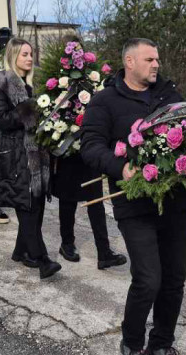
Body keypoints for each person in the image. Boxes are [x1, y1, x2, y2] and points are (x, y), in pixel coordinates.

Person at [81, 38, 186, 355]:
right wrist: (120, 168)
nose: (156, 64)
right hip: (133, 202)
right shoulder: (105, 101)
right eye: (149, 59)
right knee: (148, 279)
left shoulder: (170, 95)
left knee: (174, 279)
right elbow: (90, 146)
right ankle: (132, 344)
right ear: (129, 61)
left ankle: (162, 344)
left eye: (158, 58)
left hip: (173, 200)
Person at [0, 38, 61, 280]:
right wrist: (31, 110)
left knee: (34, 206)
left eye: (30, 53)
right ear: (13, 55)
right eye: (24, 54)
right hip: (15, 156)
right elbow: (1, 120)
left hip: (32, 155)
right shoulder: (3, 83)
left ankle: (20, 251)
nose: (29, 58)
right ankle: (42, 259)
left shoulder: (28, 86)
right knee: (27, 208)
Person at [48, 35, 127, 271]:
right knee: (68, 200)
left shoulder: (93, 82)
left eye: (79, 51)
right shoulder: (57, 81)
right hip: (66, 151)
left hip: (89, 149)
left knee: (96, 202)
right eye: (71, 51)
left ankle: (104, 252)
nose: (75, 56)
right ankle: (67, 243)